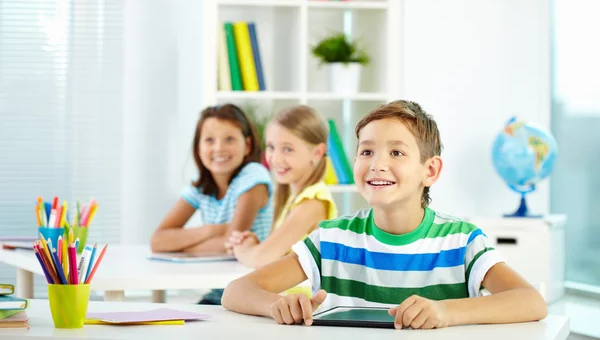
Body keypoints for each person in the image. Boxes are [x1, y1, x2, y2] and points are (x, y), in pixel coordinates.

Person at [221, 100, 547, 329]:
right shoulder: (332, 240)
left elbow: (531, 302)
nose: (377, 163)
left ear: (430, 171)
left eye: (396, 152)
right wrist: (277, 305)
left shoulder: (462, 242)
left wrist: (447, 312)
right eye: (366, 151)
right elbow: (237, 291)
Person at [151, 103, 273, 304]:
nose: (219, 148)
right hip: (220, 288)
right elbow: (158, 241)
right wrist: (211, 230)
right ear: (198, 148)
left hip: (253, 288)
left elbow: (231, 244)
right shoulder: (201, 184)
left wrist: (181, 244)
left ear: (248, 145)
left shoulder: (254, 176)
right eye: (209, 140)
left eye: (230, 139)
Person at [224, 105, 338, 274]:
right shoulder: (292, 198)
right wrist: (254, 244)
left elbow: (260, 259)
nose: (275, 159)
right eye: (270, 147)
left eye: (287, 149)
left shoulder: (313, 202)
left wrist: (240, 247)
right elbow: (275, 256)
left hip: (301, 299)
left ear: (317, 152)